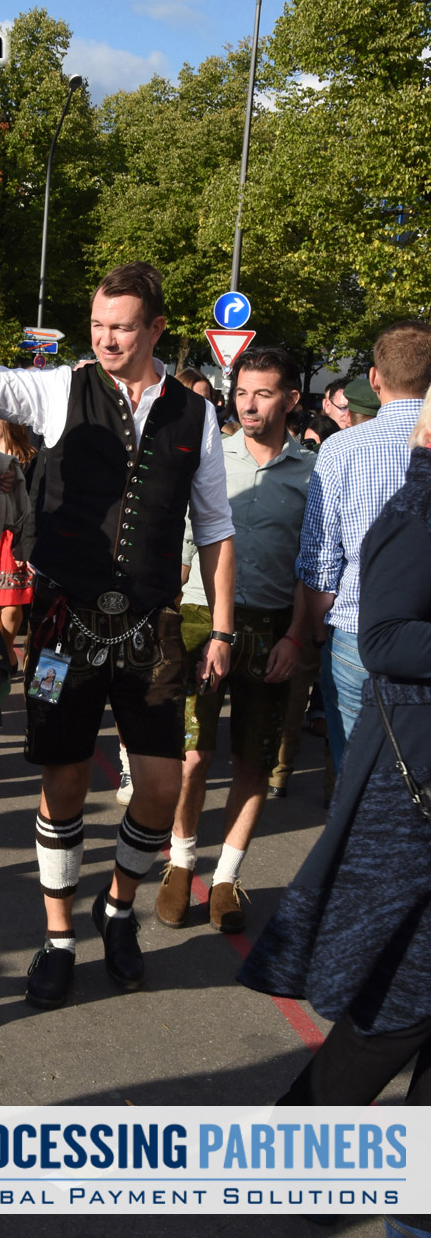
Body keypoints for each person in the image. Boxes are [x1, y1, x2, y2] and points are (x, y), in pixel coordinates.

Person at [0, 195, 234, 1007]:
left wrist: (223, 626)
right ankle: (59, 935)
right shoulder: (61, 390)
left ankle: (118, 905)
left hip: (155, 626)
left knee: (161, 790)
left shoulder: (195, 414)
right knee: (62, 783)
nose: (106, 337)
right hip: (62, 625)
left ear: (157, 328)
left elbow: (217, 530)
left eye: (122, 326)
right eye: (99, 323)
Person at [239, 389, 431, 1108]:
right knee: (401, 999)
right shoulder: (417, 512)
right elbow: (385, 638)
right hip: (414, 784)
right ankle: (305, 1153)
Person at [157, 348, 315, 933]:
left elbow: (314, 563)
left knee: (252, 759)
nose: (248, 404)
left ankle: (226, 877)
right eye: (242, 392)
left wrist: (296, 638)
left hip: (271, 626)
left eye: (263, 393)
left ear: (291, 400)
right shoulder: (211, 457)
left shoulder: (311, 471)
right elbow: (176, 536)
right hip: (201, 616)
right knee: (193, 755)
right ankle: (179, 865)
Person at [298, 320, 431, 769]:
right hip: (425, 634)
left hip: (357, 628)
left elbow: (320, 556)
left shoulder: (341, 449)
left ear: (374, 380)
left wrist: (317, 629)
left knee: (358, 770)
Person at [0, 415, 34, 669]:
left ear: (7, 424)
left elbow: (34, 501)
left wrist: (27, 543)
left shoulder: (30, 460)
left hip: (16, 539)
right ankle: (4, 657)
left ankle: (4, 651)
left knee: (12, 606)